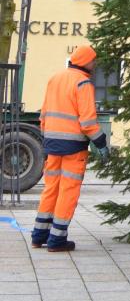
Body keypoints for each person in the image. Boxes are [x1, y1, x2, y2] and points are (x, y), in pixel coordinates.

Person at [31, 45, 109, 252]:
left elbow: (43, 114)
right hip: (73, 147)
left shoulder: (55, 78)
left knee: (51, 189)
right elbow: (88, 122)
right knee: (68, 191)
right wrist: (101, 143)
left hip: (52, 143)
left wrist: (48, 137)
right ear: (86, 61)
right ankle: (57, 240)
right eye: (93, 60)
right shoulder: (83, 83)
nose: (94, 64)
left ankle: (39, 235)